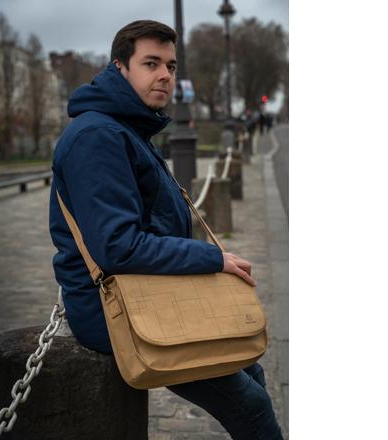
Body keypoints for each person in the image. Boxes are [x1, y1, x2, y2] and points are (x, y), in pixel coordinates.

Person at [49, 20, 283, 440]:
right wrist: (212, 258)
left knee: (250, 366)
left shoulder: (126, 126)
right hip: (114, 306)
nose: (164, 75)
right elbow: (118, 247)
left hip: (151, 285)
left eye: (171, 66)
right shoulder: (99, 136)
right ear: (119, 67)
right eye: (151, 63)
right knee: (250, 404)